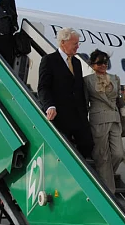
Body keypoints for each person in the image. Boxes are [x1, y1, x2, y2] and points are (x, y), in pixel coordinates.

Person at [37, 28, 94, 158]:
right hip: (60, 115)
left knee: (88, 145)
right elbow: (43, 87)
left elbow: (78, 89)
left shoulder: (77, 62)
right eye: (75, 43)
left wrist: (84, 111)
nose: (78, 46)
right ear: (63, 42)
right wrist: (49, 106)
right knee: (63, 150)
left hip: (78, 116)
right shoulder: (49, 60)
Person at [83, 49, 125, 193]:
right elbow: (85, 103)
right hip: (98, 120)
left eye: (106, 62)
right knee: (102, 156)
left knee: (118, 154)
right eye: (100, 63)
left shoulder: (115, 78)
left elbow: (119, 102)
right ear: (92, 64)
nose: (103, 65)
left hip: (115, 119)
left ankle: (102, 179)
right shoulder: (87, 81)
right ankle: (109, 192)